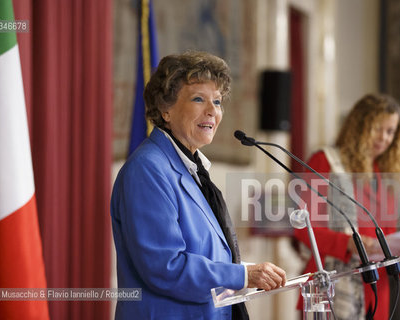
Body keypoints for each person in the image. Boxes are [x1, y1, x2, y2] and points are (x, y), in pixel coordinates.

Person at [111, 51, 287, 320]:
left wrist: (243, 274)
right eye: (198, 99)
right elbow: (165, 267)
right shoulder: (147, 170)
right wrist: (243, 275)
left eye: (217, 101)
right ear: (165, 109)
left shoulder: (191, 168)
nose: (212, 111)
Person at [294, 93, 400, 320]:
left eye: (390, 131)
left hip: (375, 295)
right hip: (329, 291)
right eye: (376, 128)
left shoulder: (385, 176)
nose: (383, 138)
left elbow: (386, 244)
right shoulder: (325, 161)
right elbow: (303, 228)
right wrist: (347, 243)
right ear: (358, 126)